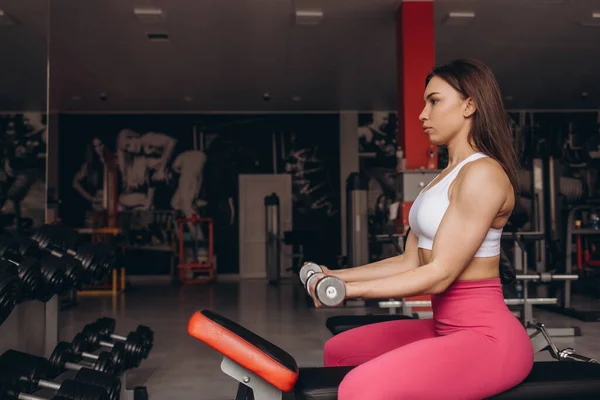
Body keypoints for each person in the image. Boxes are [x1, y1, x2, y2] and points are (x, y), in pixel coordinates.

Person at [307, 59, 533, 400]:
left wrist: (347, 293)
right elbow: (410, 260)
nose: (422, 114)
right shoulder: (441, 179)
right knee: (340, 350)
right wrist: (337, 276)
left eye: (434, 100)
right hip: (444, 327)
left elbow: (439, 273)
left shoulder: (483, 174)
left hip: (487, 337)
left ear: (470, 105)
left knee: (359, 388)